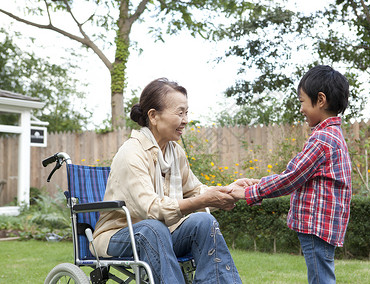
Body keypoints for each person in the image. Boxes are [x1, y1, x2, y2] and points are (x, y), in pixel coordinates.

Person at [92, 78, 253, 284]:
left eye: (186, 112)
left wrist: (229, 190)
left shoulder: (174, 151)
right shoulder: (132, 153)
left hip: (163, 233)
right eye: (180, 112)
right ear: (154, 116)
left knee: (204, 222)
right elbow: (151, 211)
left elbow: (195, 190)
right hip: (119, 235)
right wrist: (203, 201)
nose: (185, 119)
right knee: (153, 227)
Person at [231, 65, 352, 284]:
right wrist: (261, 182)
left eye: (302, 101)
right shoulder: (331, 136)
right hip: (322, 225)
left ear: (321, 100)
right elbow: (297, 174)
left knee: (320, 279)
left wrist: (249, 193)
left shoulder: (322, 139)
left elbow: (292, 179)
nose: (301, 109)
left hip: (317, 226)